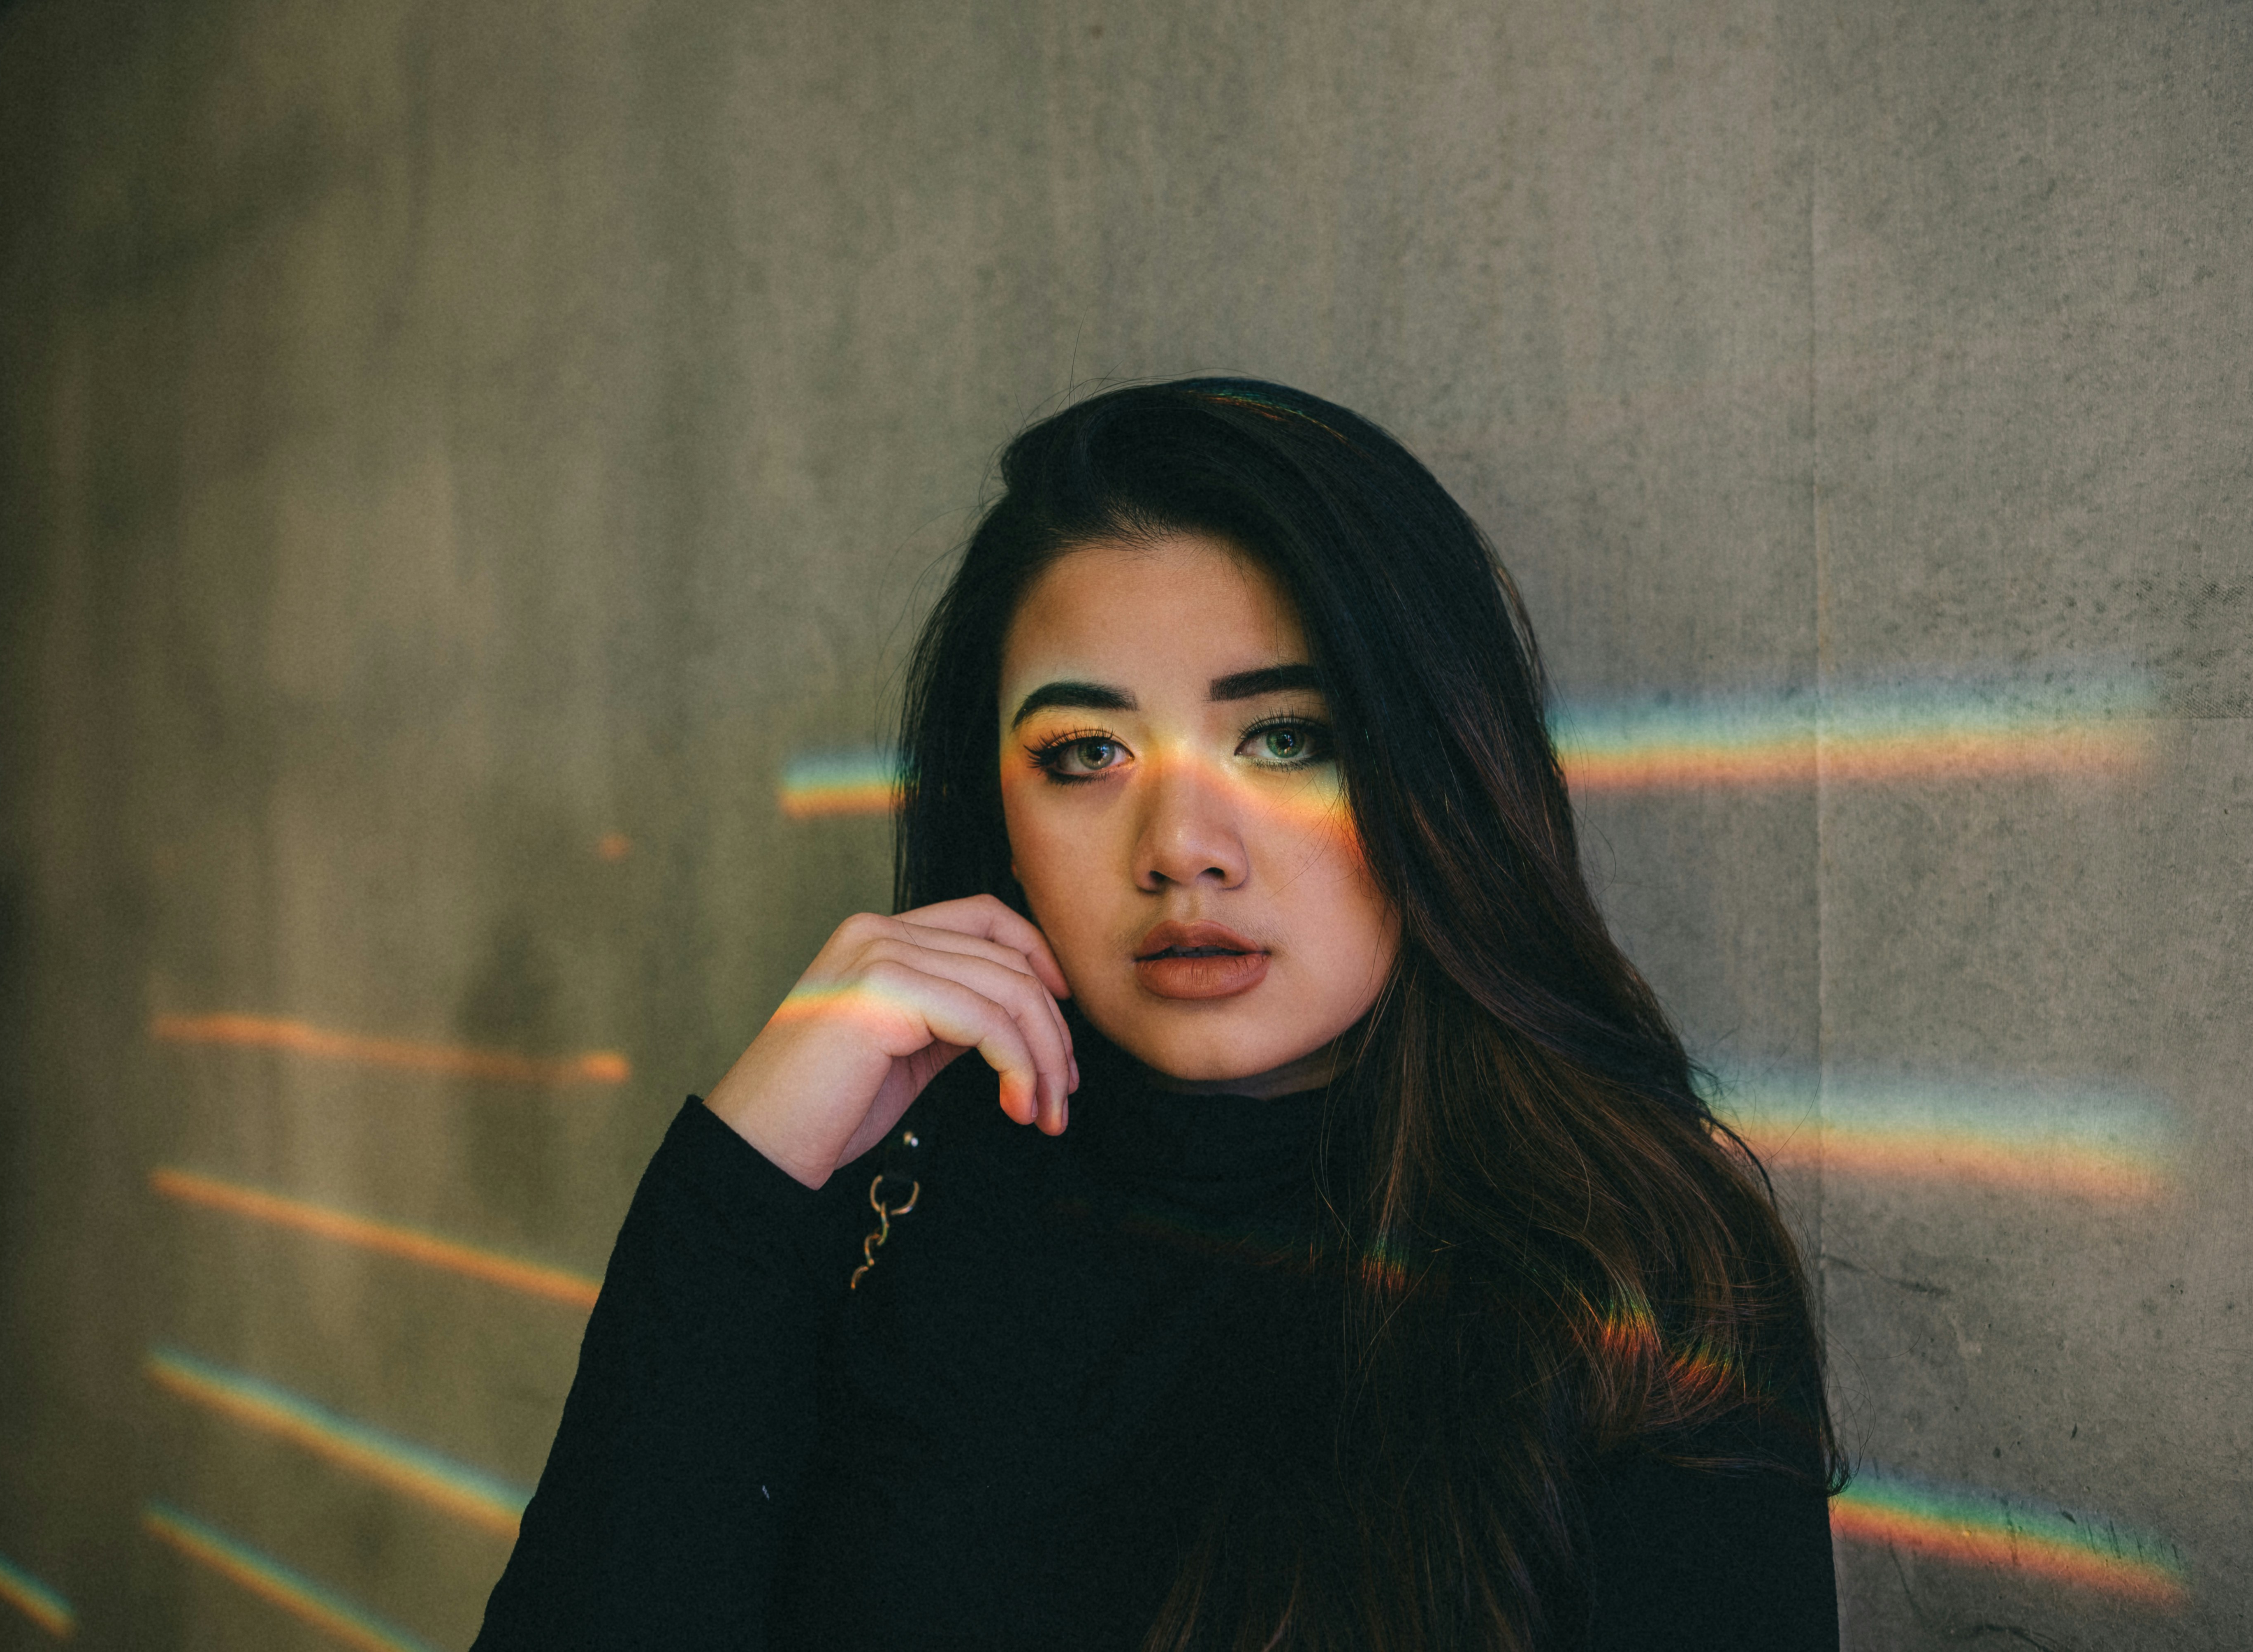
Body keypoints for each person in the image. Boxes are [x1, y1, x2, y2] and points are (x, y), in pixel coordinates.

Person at [473, 378, 1842, 1651]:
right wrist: (749, 1180)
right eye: (1087, 755)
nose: (1183, 845)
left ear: (1436, 775)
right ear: (996, 812)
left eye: (1286, 738)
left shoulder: (1637, 1272)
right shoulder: (879, 1222)